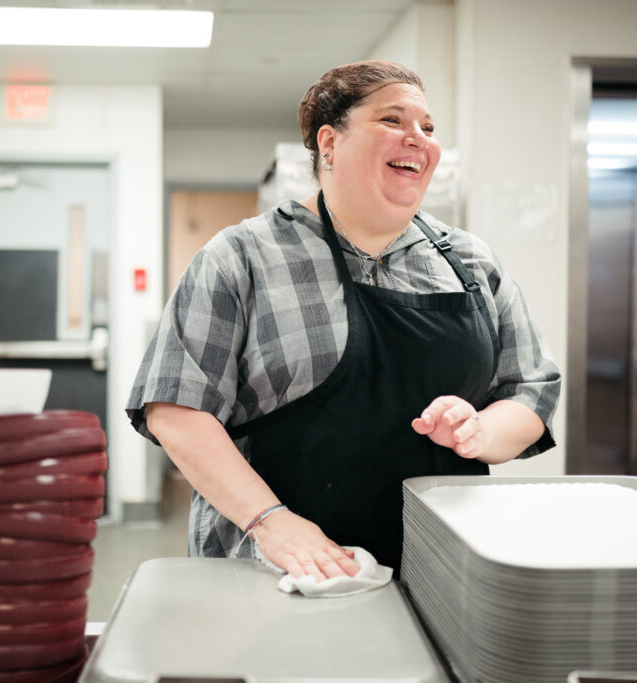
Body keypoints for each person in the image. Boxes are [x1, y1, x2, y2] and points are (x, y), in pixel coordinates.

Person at [126, 60, 561, 581]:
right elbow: (176, 410)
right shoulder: (242, 258)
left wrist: (479, 432)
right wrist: (271, 521)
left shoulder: (469, 263)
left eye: (427, 127)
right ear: (329, 144)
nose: (417, 138)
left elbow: (531, 390)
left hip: (442, 573)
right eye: (392, 121)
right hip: (279, 572)